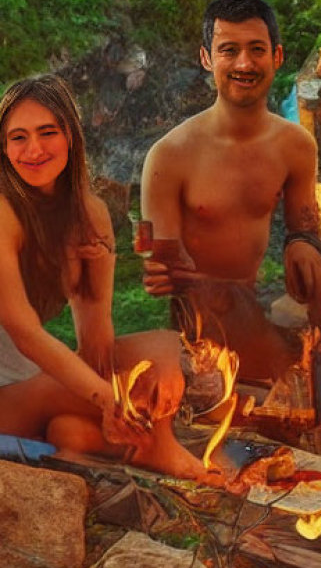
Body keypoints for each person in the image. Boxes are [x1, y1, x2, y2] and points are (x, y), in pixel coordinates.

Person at [141, 0, 321, 382]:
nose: (244, 63)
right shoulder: (169, 156)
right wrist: (155, 268)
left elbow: (305, 228)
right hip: (200, 328)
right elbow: (161, 263)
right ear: (206, 59)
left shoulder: (295, 146)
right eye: (228, 50)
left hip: (257, 310)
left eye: (256, 49)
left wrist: (303, 245)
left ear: (276, 57)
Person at [0, 74, 206, 479]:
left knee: (163, 348)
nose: (34, 150)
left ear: (71, 136)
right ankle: (159, 449)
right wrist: (107, 398)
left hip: (28, 387)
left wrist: (89, 269)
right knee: (127, 388)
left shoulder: (89, 215)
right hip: (6, 395)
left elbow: (97, 342)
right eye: (18, 137)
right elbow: (25, 334)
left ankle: (75, 441)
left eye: (47, 132)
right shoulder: (3, 213)